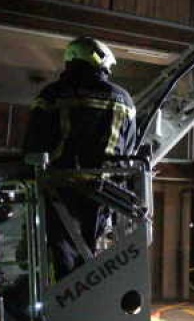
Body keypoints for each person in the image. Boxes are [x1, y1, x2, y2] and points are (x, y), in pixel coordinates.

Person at [24, 36, 136, 279]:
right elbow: (129, 147)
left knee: (62, 253)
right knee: (93, 251)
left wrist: (29, 175)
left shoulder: (52, 94)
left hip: (59, 186)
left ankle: (66, 300)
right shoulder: (123, 99)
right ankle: (88, 298)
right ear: (100, 61)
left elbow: (34, 140)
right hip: (105, 191)